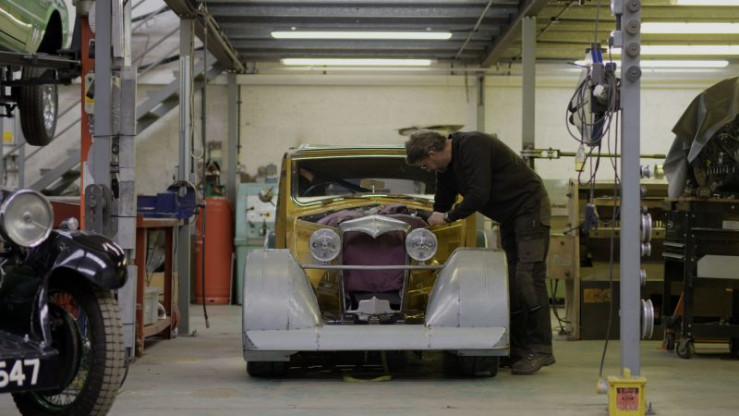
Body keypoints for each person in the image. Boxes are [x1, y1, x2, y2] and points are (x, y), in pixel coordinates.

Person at [405, 130, 554, 375]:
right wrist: (429, 221)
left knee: (527, 276)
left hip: (529, 208)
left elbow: (479, 195)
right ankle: (517, 350)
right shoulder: (445, 169)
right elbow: (442, 200)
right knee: (512, 280)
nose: (427, 169)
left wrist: (449, 217)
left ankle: (541, 349)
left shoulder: (474, 146)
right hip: (509, 216)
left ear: (432, 153)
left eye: (424, 165)